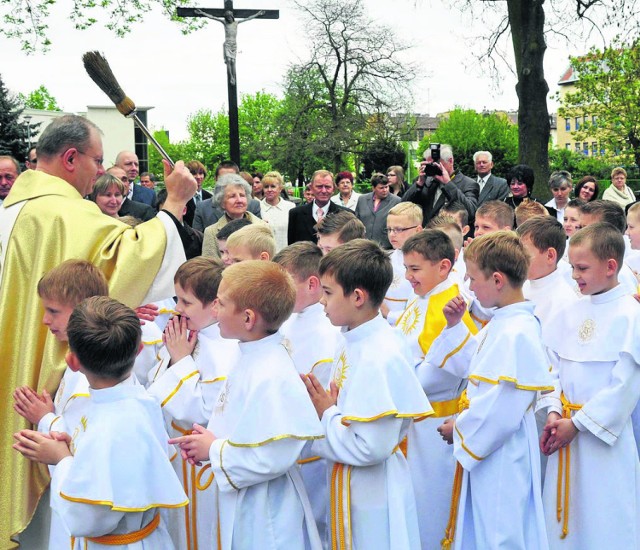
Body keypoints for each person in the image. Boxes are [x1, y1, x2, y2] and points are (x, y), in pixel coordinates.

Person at [0, 114, 195, 546]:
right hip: (51, 384)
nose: (100, 172)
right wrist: (175, 204)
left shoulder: (15, 207)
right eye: (97, 160)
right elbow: (129, 262)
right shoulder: (59, 211)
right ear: (71, 158)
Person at [170, 261, 324, 550]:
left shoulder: (272, 372)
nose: (214, 310)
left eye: (222, 303)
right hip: (246, 499)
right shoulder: (249, 353)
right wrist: (206, 443)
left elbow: (274, 456)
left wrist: (213, 449)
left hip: (265, 511)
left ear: (248, 318)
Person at [13, 296, 188, 548]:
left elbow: (87, 518)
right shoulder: (142, 400)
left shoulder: (111, 424)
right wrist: (70, 445)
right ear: (138, 350)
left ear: (73, 363)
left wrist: (61, 460)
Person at [303, 239, 432, 550]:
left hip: (372, 491)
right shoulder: (350, 337)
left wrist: (326, 415)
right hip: (349, 483)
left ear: (357, 296)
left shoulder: (381, 353)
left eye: (329, 292)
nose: (321, 301)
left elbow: (370, 448)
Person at [426, 232, 552, 549]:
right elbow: (479, 366)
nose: (468, 287)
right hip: (491, 448)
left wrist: (460, 428)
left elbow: (503, 409)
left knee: (501, 531)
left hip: (503, 453)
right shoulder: (503, 322)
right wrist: (455, 326)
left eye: (472, 278)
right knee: (484, 528)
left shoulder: (517, 331)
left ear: (497, 279)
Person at [539, 223, 640, 549]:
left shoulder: (631, 316)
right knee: (565, 516)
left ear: (611, 266)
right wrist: (554, 409)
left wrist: (578, 424)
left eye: (582, 268)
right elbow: (553, 367)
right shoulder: (570, 309)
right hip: (564, 431)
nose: (574, 276)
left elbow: (624, 386)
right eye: (572, 268)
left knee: (604, 516)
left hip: (601, 441)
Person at [12, 260, 109, 549]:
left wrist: (45, 419)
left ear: (82, 309)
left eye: (53, 311)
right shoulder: (74, 356)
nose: (44, 320)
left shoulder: (94, 373)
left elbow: (80, 440)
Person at [147, 257, 237, 550]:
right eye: (177, 299)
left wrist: (182, 361)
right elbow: (154, 386)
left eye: (186, 302)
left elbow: (206, 414)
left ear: (215, 306)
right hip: (176, 463)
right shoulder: (182, 336)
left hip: (203, 466)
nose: (177, 309)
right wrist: (175, 358)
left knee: (204, 533)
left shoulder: (227, 349)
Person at [396, 230, 478, 550]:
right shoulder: (421, 298)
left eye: (415, 269)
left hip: (433, 424)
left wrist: (397, 381)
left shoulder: (451, 303)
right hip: (412, 418)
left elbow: (446, 373)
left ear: (443, 267)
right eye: (406, 268)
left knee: (431, 504)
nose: (408, 277)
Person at [274, 241, 343, 546]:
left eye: (285, 284)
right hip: (291, 439)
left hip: (312, 447)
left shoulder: (326, 334)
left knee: (318, 520)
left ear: (312, 284)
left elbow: (320, 397)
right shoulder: (292, 318)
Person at [402, 144, 479, 226]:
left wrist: (448, 184)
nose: (433, 167)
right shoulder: (426, 181)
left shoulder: (468, 184)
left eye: (436, 164)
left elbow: (470, 213)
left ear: (450, 161)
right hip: (425, 235)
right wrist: (419, 184)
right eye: (429, 164)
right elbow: (403, 206)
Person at [201, 173, 268, 257]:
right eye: (232, 196)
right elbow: (210, 266)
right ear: (221, 202)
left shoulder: (262, 226)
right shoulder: (211, 232)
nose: (239, 200)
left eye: (242, 195)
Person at [381, 203, 423, 325]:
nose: (392, 234)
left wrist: (389, 314)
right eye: (389, 229)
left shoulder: (426, 264)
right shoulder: (386, 259)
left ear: (418, 230)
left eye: (399, 229)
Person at [193, 160, 262, 231]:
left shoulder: (253, 206)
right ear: (215, 179)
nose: (227, 182)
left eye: (232, 178)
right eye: (223, 179)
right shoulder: (202, 208)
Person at [288, 169, 347, 244]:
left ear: (333, 189)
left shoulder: (345, 215)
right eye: (319, 186)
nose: (323, 191)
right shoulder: (295, 214)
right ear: (311, 188)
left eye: (327, 187)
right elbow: (291, 247)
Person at [355, 172, 401, 249]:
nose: (385, 190)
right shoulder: (362, 199)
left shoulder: (396, 201)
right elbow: (356, 220)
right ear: (373, 188)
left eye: (386, 187)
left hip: (385, 246)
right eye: (381, 188)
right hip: (363, 245)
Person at [260, 170, 296, 252]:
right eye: (266, 187)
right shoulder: (258, 207)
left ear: (280, 188)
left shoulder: (290, 207)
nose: (269, 190)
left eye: (273, 186)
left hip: (287, 255)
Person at [184, 160, 213, 227]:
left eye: (200, 173)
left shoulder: (210, 197)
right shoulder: (183, 197)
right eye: (194, 173)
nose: (198, 177)